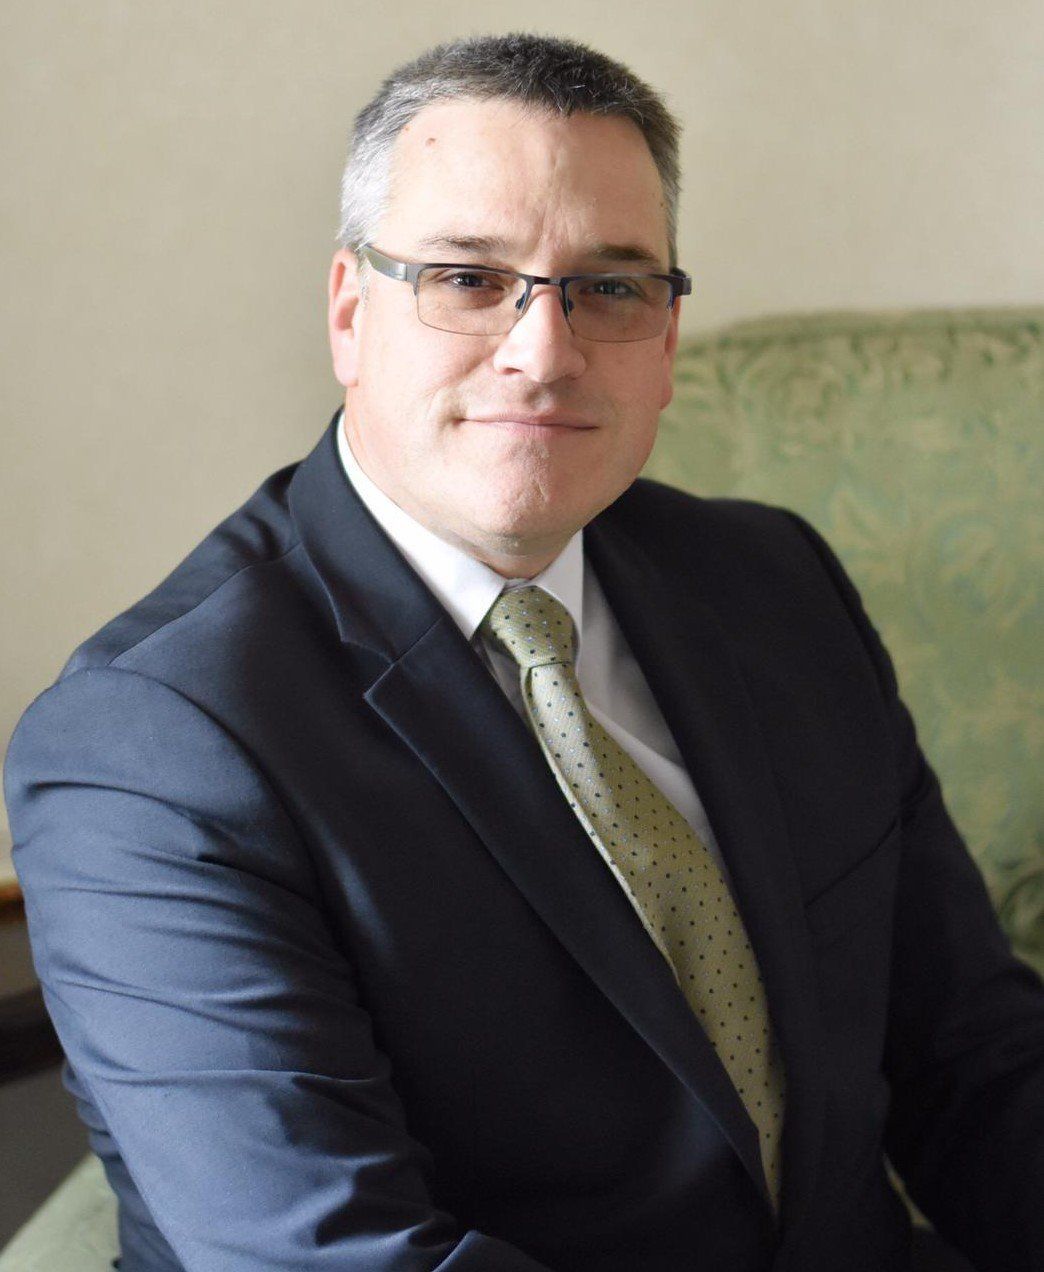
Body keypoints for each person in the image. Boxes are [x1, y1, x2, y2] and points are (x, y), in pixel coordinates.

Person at [4, 31, 1043, 1272]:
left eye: (611, 288)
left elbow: (973, 1059)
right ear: (350, 313)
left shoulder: (776, 584)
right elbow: (335, 1257)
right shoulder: (154, 744)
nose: (544, 354)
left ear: (667, 338)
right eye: (466, 278)